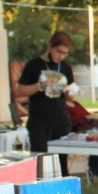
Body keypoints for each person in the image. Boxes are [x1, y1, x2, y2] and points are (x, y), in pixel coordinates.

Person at [16, 31, 74, 177]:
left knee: (61, 162)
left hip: (61, 119)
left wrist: (70, 94)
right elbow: (20, 90)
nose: (60, 56)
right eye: (58, 51)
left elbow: (69, 94)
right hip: (39, 121)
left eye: (64, 53)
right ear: (50, 46)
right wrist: (40, 85)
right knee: (41, 162)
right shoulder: (34, 65)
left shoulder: (65, 67)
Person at [65, 91, 98, 184]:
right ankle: (94, 169)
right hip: (79, 130)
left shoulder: (76, 103)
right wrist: (86, 117)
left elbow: (86, 113)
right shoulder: (64, 106)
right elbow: (71, 120)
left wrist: (92, 117)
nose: (73, 95)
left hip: (89, 127)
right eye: (71, 93)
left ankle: (94, 168)